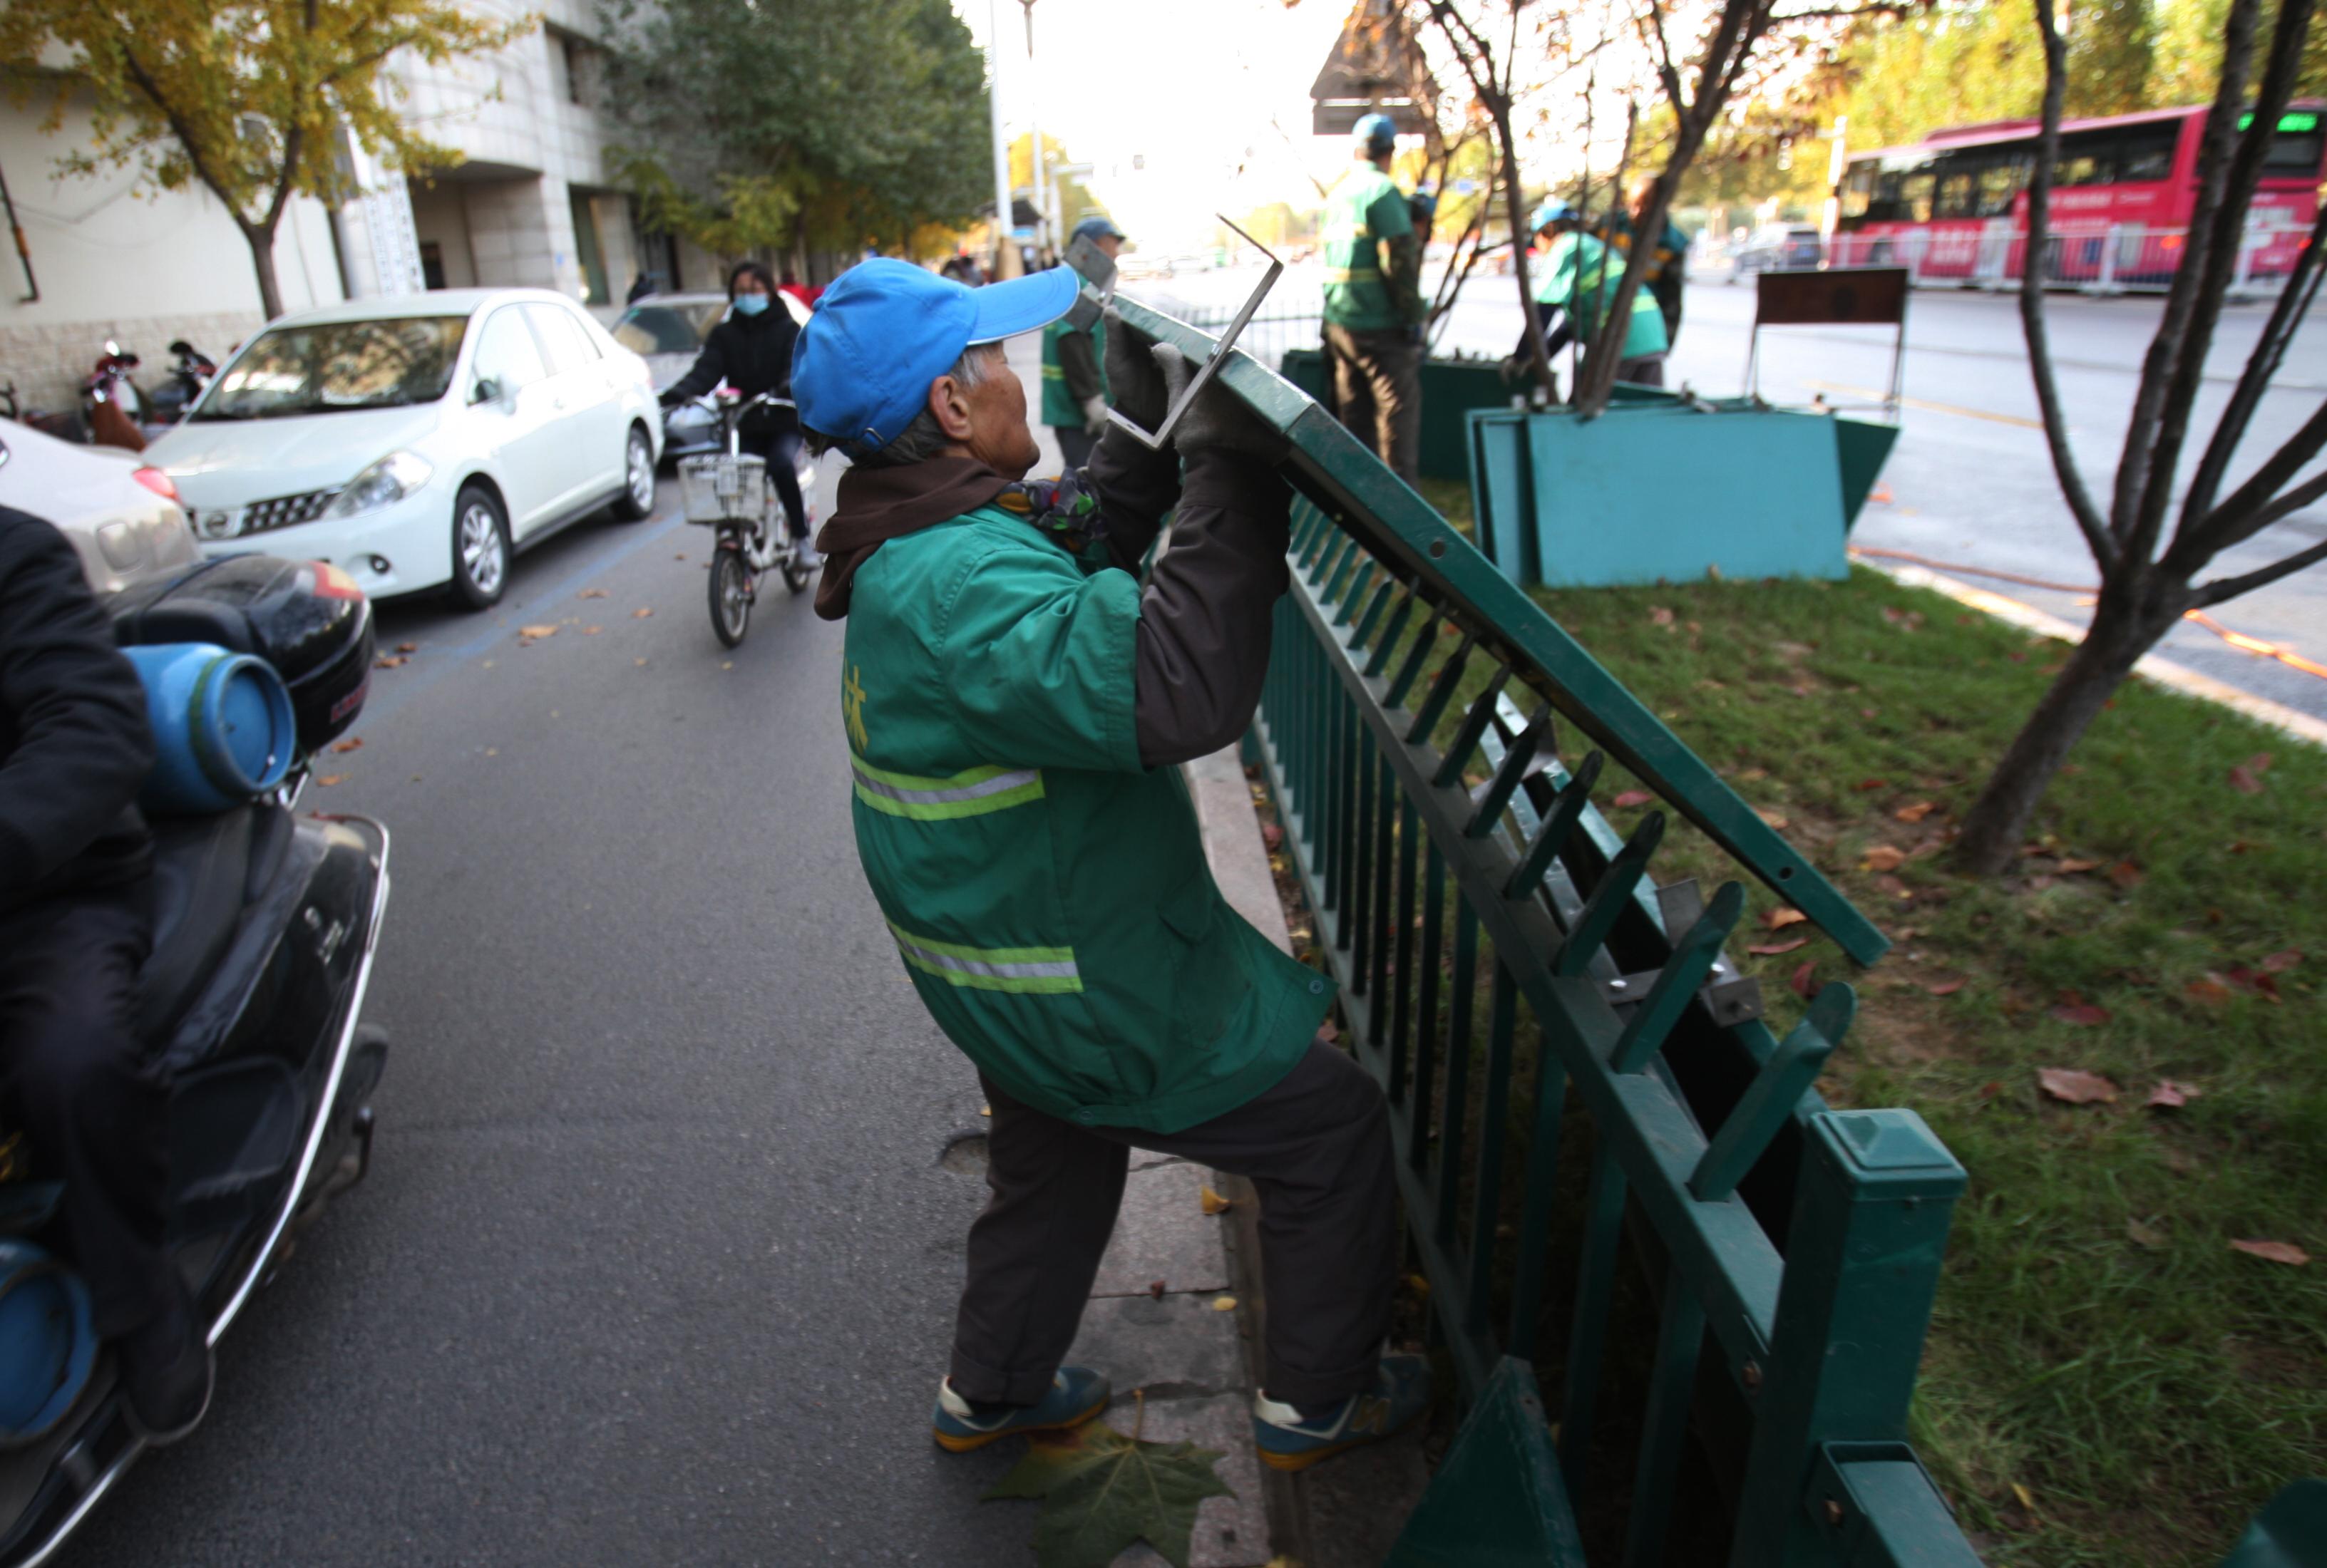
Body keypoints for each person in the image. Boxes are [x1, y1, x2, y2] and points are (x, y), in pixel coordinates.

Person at [791, 259, 1428, 1473]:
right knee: (1328, 1134)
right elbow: (1174, 685)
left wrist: (1144, 436)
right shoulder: (959, 582)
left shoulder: (923, 533)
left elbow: (1078, 546)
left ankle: (986, 1395)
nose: (1014, 376)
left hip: (1001, 972)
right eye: (997, 362)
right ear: (951, 410)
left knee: (1052, 1164)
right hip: (1074, 982)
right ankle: (1314, 1404)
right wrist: (1233, 466)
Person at [0, 505, 211, 1445]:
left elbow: (92, 723)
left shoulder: (17, 555)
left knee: (73, 1062)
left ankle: (142, 1299)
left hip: (46, 888)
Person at [660, 262, 820, 568]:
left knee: (780, 465)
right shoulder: (724, 334)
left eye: (755, 290)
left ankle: (801, 540)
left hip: (781, 419)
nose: (748, 296)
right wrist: (677, 395)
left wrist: (786, 387)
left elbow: (796, 367)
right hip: (743, 423)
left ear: (770, 292)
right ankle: (744, 529)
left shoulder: (789, 330)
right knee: (733, 473)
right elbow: (705, 371)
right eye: (741, 291)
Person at [1321, 112, 1427, 485]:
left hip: (1340, 326)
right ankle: (1402, 524)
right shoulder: (1382, 191)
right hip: (1380, 329)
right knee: (1397, 420)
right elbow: (1398, 259)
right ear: (1390, 151)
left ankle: (1357, 510)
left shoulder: (1337, 195)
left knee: (1355, 422)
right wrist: (1414, 317)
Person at [1514, 200, 1670, 388]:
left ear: (1548, 231)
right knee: (1642, 410)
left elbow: (1543, 312)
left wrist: (1519, 359)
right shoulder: (1592, 246)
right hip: (1651, 337)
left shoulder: (1565, 248)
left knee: (1584, 410)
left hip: (1619, 342)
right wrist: (1538, 361)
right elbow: (1567, 329)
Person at [1039, 215, 1125, 470]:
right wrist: (1091, 401)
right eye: (1112, 244)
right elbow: (1073, 342)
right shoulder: (1082, 284)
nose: (1116, 253)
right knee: (1088, 487)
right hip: (1078, 413)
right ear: (1094, 245)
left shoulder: (1073, 280)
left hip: (1070, 409)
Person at [1596, 179, 1691, 346]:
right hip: (1603, 320)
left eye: (1646, 206)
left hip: (1643, 326)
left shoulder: (1672, 244)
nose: (1637, 212)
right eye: (1635, 204)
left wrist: (1664, 343)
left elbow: (1672, 302)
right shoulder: (1608, 226)